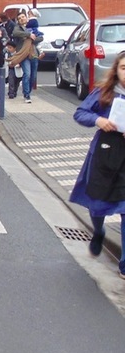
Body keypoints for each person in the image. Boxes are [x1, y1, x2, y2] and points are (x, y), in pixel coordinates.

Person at [70, 51, 125, 276]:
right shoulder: (105, 92)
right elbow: (80, 113)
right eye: (124, 68)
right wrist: (98, 119)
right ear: (116, 70)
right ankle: (99, 230)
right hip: (105, 153)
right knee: (97, 204)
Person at [7, 12, 38, 103]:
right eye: (19, 18)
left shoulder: (32, 27)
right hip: (23, 55)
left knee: (33, 76)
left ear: (26, 18)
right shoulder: (17, 28)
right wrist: (28, 35)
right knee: (27, 74)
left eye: (23, 17)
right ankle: (26, 95)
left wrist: (33, 38)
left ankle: (28, 91)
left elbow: (40, 37)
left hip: (33, 54)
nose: (21, 19)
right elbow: (15, 33)